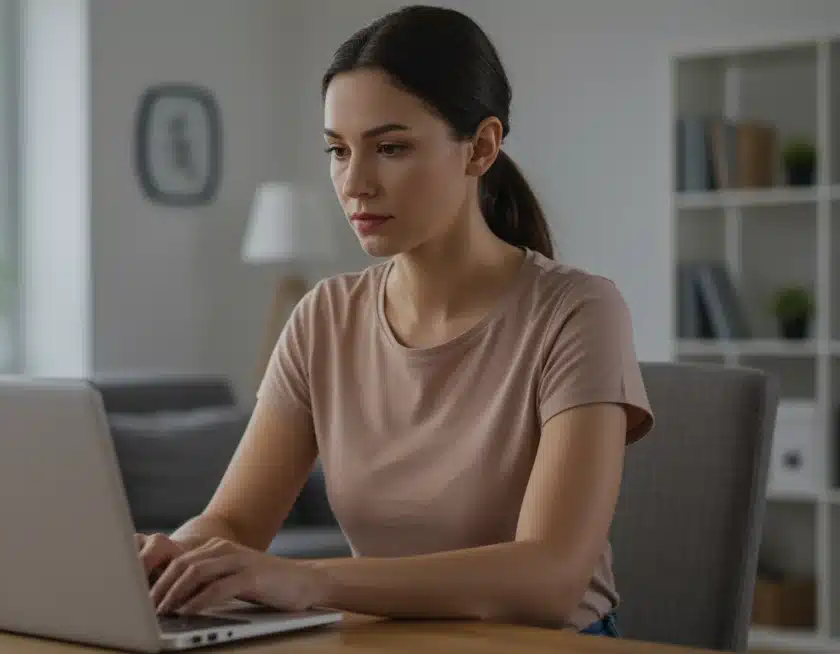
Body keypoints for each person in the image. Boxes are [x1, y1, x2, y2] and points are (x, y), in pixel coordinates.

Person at [136, 5, 654, 637]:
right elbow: (236, 523)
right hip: (385, 640)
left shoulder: (578, 312)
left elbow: (549, 579)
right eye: (337, 150)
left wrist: (311, 579)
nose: (355, 182)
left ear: (481, 148)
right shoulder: (324, 317)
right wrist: (177, 557)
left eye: (390, 148)